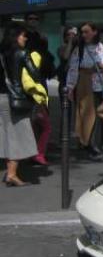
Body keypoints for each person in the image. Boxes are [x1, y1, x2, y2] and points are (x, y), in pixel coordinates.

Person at [66, 22, 103, 162]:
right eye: (82, 32)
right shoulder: (79, 48)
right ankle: (94, 148)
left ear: (95, 32)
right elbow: (73, 68)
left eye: (86, 31)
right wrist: (70, 87)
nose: (84, 35)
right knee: (90, 118)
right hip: (86, 84)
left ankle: (95, 144)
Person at [0, 24, 39, 187]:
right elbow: (35, 73)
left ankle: (10, 172)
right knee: (18, 135)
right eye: (23, 36)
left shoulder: (2, 54)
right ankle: (11, 174)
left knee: (6, 134)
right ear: (16, 37)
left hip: (1, 97)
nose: (25, 38)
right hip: (14, 99)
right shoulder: (22, 53)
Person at [26, 32, 55, 166]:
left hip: (33, 95)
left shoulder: (27, 54)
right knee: (45, 126)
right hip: (38, 95)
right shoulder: (40, 56)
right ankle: (39, 153)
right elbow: (49, 73)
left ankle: (33, 153)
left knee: (35, 125)